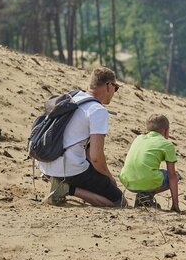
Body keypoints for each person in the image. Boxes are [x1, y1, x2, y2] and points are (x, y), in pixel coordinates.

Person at [40, 67, 126, 207]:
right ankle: (67, 189)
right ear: (108, 86)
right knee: (119, 201)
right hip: (68, 168)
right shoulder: (97, 110)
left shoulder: (73, 97)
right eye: (116, 88)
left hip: (46, 163)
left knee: (97, 181)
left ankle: (63, 184)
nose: (114, 93)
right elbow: (96, 157)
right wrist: (110, 178)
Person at [119, 114, 180, 211]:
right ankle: (147, 195)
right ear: (166, 131)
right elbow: (172, 175)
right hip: (146, 180)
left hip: (127, 180)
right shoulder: (167, 144)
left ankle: (143, 198)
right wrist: (175, 205)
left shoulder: (138, 138)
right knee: (176, 176)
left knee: (148, 172)